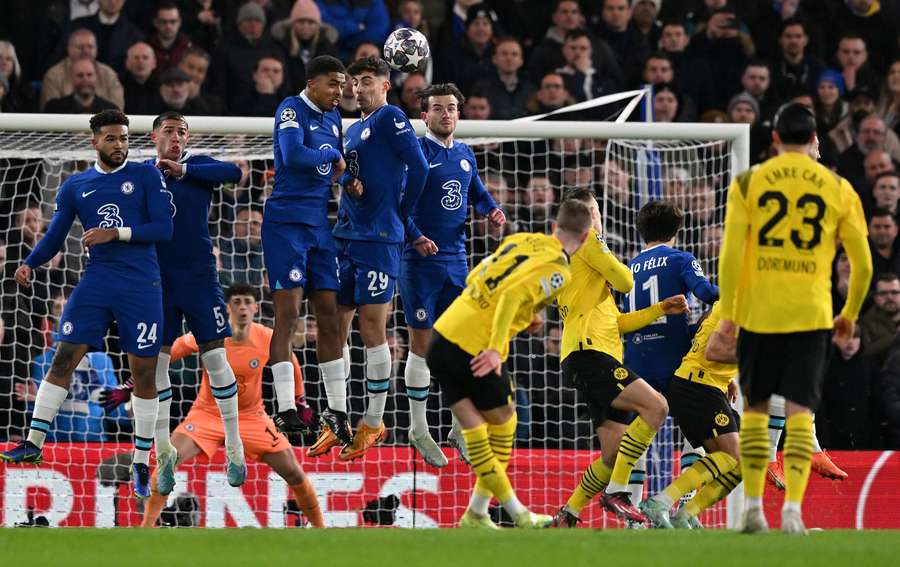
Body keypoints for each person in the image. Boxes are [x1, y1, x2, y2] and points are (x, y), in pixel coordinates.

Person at [715, 102, 873, 534]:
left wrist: (729, 315)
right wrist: (851, 314)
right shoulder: (838, 187)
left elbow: (730, 257)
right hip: (811, 313)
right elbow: (863, 264)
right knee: (801, 413)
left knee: (756, 413)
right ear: (814, 140)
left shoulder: (748, 182)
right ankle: (792, 514)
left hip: (759, 313)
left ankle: (750, 510)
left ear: (775, 140)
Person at [0, 110, 174, 502]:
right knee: (63, 358)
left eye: (124, 138)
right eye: (111, 139)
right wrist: (30, 262)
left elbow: (164, 229)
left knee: (143, 373)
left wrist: (118, 232)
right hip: (97, 282)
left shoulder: (147, 175)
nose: (119, 145)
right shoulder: (77, 185)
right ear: (94, 141)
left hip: (141, 285)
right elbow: (55, 236)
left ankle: (142, 460)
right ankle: (33, 441)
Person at [102, 284, 324, 529]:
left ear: (255, 308)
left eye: (247, 302)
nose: (243, 307)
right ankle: (147, 527)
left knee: (293, 472)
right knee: (168, 462)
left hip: (251, 417)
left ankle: (321, 528)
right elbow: (167, 355)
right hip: (208, 414)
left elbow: (290, 361)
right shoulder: (210, 333)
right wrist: (130, 386)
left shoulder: (267, 337)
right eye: (237, 302)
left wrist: (300, 401)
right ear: (228, 307)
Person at [428, 198, 591, 528]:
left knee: (476, 427)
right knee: (504, 422)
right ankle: (517, 514)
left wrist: (528, 316)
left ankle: (476, 513)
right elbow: (511, 296)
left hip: (443, 335)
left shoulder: (520, 239)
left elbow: (480, 274)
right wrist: (496, 349)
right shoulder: (560, 272)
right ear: (586, 238)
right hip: (474, 346)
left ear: (552, 227)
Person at [550, 189, 682, 529]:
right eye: (593, 212)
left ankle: (569, 514)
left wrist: (659, 309)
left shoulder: (577, 262)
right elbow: (626, 280)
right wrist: (601, 245)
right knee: (657, 407)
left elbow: (616, 323)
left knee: (612, 454)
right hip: (590, 354)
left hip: (586, 354)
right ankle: (619, 493)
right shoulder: (589, 242)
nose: (598, 219)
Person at [325, 56, 428, 461]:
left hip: (380, 239)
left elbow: (418, 166)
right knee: (334, 326)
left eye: (367, 81)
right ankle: (338, 419)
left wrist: (402, 214)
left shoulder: (390, 118)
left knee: (373, 328)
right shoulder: (356, 129)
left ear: (385, 85)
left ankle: (373, 421)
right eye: (354, 81)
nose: (357, 88)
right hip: (347, 236)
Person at [399, 83, 505, 467]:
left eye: (452, 108)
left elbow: (476, 193)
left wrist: (492, 210)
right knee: (422, 346)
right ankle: (418, 427)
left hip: (456, 260)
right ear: (423, 115)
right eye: (438, 109)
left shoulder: (464, 154)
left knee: (463, 343)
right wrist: (416, 237)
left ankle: (458, 427)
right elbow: (398, 204)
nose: (446, 114)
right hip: (418, 263)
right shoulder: (415, 153)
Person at [145, 111, 246, 494]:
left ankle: (234, 446)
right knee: (157, 367)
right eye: (169, 131)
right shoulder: (141, 173)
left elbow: (233, 174)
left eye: (181, 132)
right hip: (157, 281)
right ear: (154, 135)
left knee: (216, 358)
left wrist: (184, 172)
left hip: (201, 279)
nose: (175, 137)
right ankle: (163, 450)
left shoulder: (199, 167)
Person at [265, 55, 349, 455]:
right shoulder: (290, 109)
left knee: (329, 314)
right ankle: (284, 408)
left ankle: (336, 410)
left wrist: (348, 176)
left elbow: (337, 168)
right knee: (289, 315)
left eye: (343, 85)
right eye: (333, 84)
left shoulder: (334, 120)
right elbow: (295, 155)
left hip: (319, 225)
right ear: (313, 83)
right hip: (285, 224)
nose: (340, 92)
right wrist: (331, 156)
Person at [640, 301, 742, 529]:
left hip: (705, 385)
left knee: (740, 464)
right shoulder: (739, 306)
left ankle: (685, 514)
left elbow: (705, 326)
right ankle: (660, 502)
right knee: (733, 455)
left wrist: (727, 378)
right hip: (697, 386)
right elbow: (714, 350)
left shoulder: (729, 305)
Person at [40, 28, 124, 111]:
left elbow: (117, 111)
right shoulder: (53, 75)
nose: (86, 51)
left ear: (96, 48)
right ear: (69, 48)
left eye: (90, 47)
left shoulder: (109, 74)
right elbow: (50, 113)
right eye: (80, 47)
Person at [43, 57, 118, 114]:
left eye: (89, 75)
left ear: (96, 78)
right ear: (71, 78)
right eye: (80, 75)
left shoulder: (111, 111)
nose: (85, 79)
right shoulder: (54, 109)